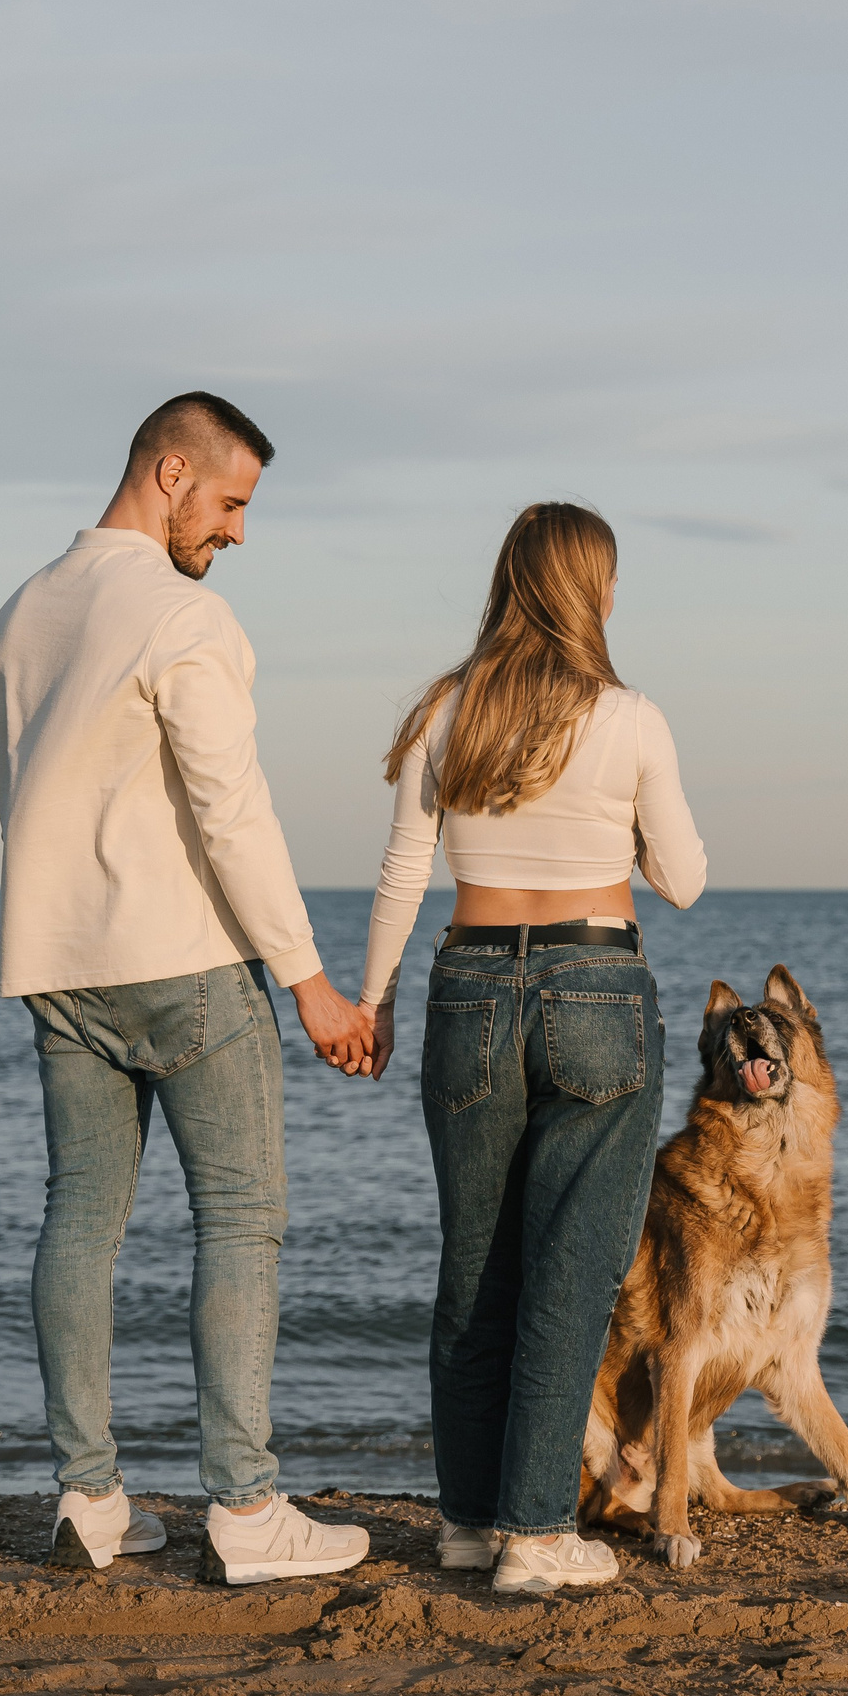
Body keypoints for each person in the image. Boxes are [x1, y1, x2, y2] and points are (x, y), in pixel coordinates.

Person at [0, 391, 376, 1585]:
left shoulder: (16, 618)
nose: (238, 531)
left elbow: (22, 799)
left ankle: (90, 1500)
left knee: (78, 1221)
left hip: (59, 963)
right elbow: (230, 810)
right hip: (185, 959)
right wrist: (310, 983)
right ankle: (246, 1513)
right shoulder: (182, 616)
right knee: (240, 1220)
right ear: (170, 472)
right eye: (231, 502)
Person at [356, 502, 707, 1594]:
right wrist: (621, 825)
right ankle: (536, 1533)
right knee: (572, 1267)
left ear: (509, 582)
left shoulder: (444, 710)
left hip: (468, 983)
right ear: (594, 591)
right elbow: (684, 880)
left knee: (475, 1265)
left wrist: (372, 1002)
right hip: (594, 981)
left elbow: (403, 869)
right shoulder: (630, 716)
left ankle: (469, 1521)